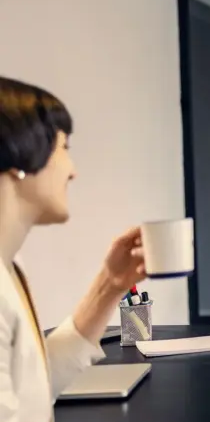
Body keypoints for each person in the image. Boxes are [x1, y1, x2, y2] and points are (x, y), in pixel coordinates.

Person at [0, 77, 147, 421]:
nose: (73, 171)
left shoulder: (10, 265)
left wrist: (110, 285)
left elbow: (31, 390)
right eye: (64, 147)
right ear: (21, 155)